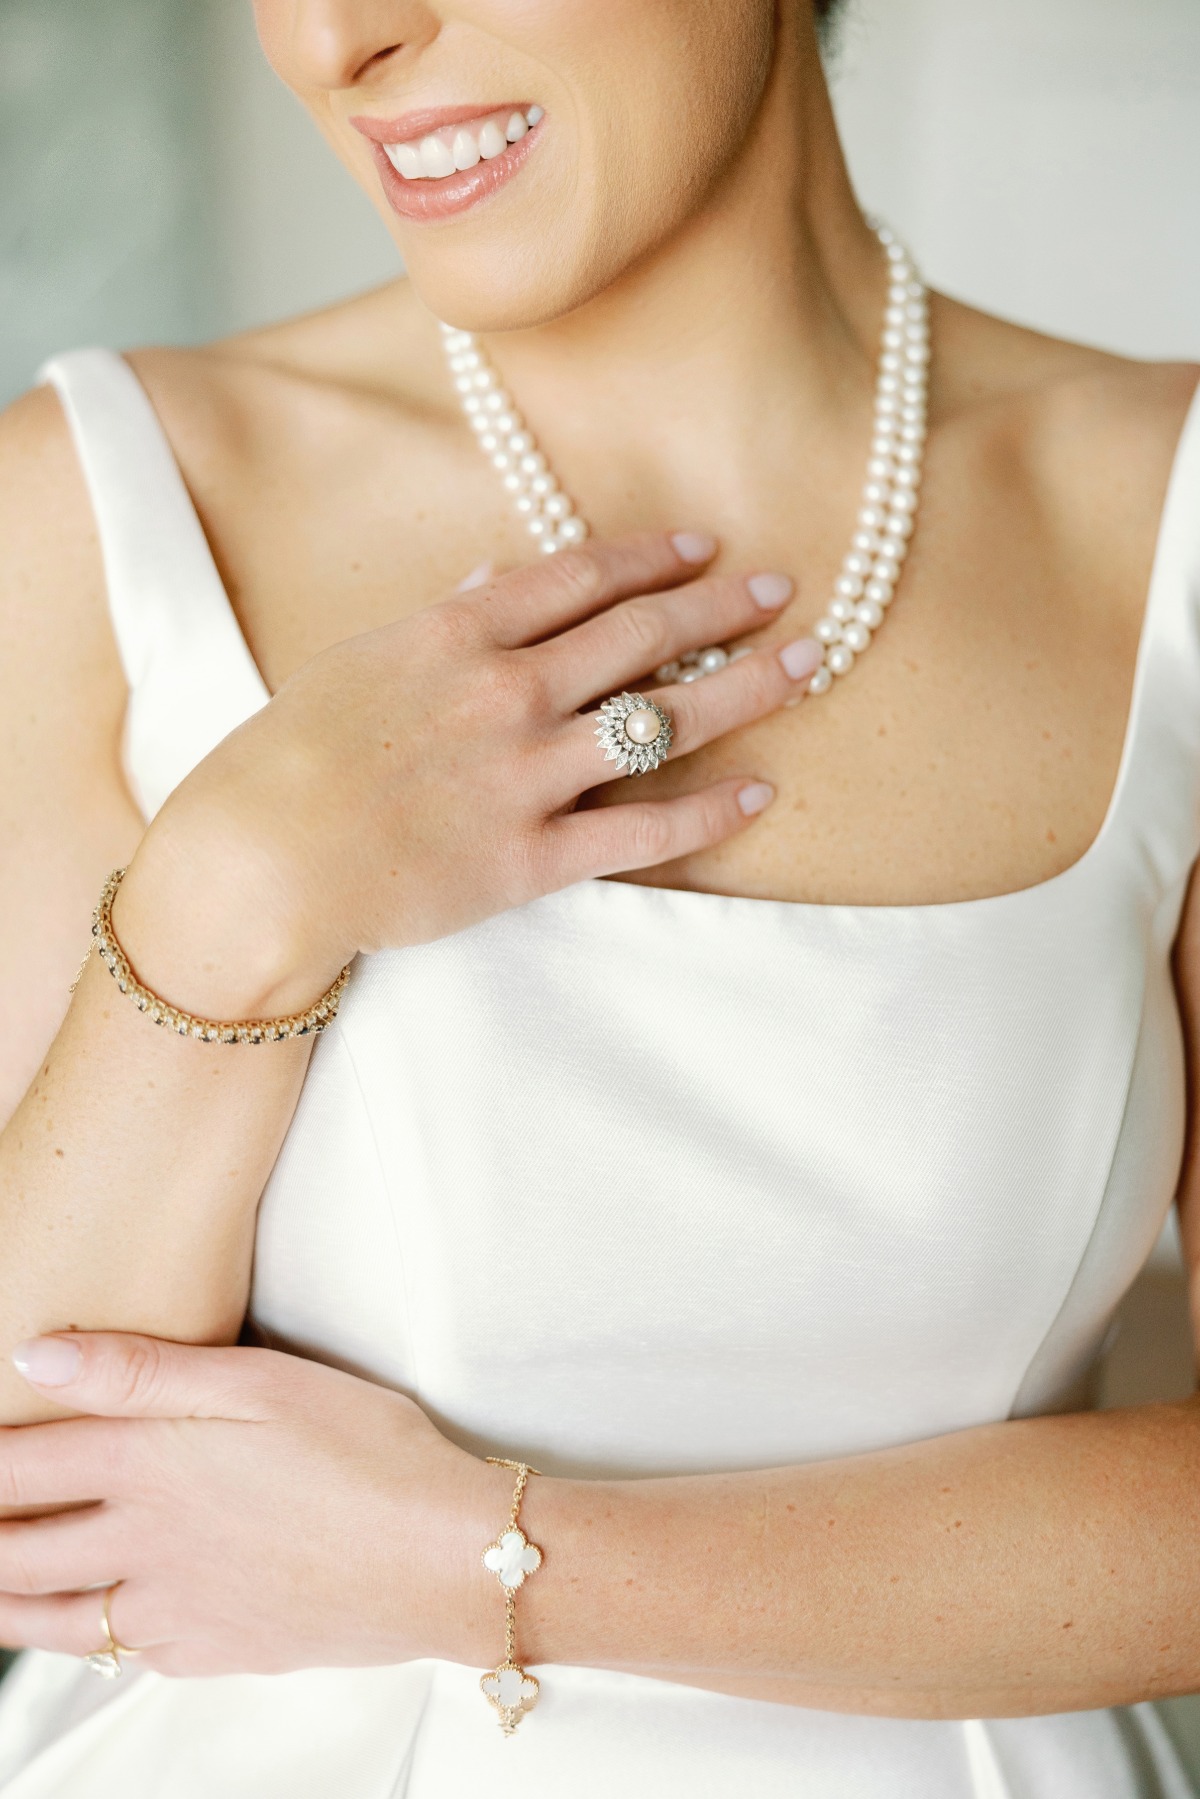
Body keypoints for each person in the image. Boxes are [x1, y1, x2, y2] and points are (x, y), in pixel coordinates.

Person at [0, 0, 1198, 1792]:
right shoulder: (97, 510)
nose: (335, 40)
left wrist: (476, 1561)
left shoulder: (1164, 523)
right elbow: (32, 1478)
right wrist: (237, 886)